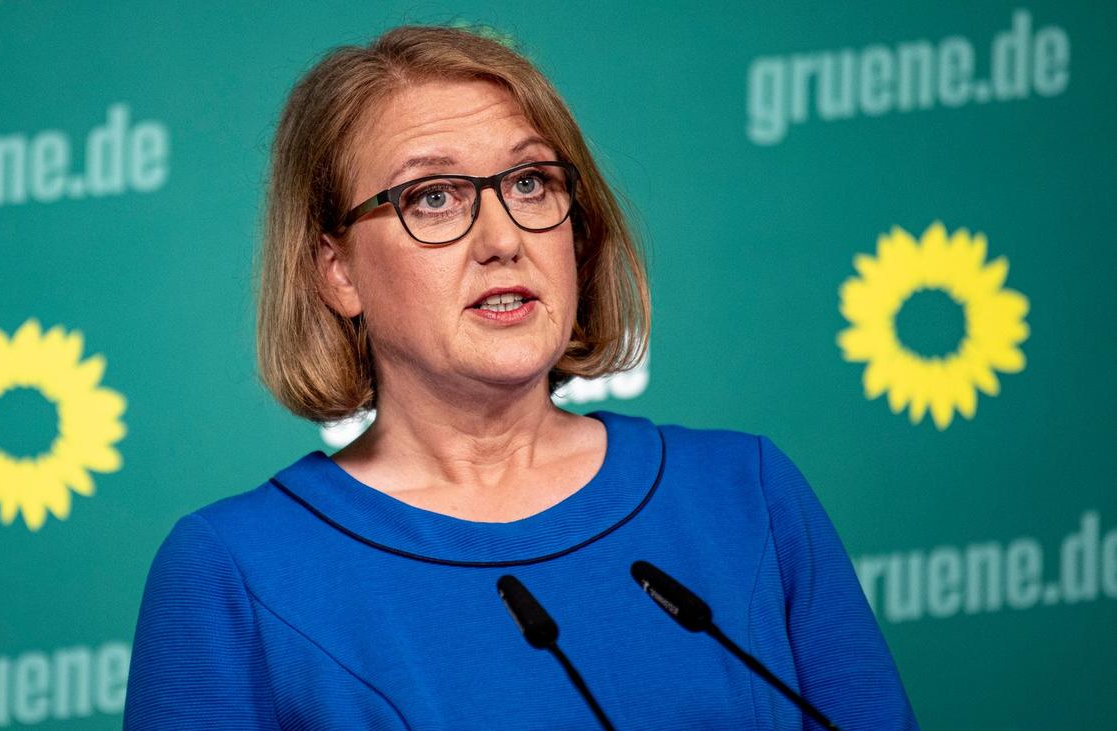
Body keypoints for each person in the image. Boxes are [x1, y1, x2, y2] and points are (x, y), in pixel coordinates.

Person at [123, 25, 919, 730]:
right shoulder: (234, 573)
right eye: (434, 197)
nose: (502, 238)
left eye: (531, 182)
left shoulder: (747, 495)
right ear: (337, 270)